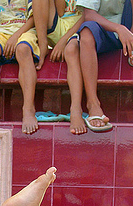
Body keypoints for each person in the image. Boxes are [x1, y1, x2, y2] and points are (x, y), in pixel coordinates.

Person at [67, 0, 133, 132]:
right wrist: (119, 28)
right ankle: (93, 104)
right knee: (87, 31)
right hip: (106, 28)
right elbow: (89, 15)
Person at [0, 0, 40, 135]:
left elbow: (35, 18)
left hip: (25, 31)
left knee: (23, 49)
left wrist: (15, 37)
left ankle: (28, 109)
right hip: (1, 32)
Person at [33, 0, 86, 134]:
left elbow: (89, 15)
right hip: (59, 24)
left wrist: (64, 41)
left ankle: (75, 109)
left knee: (71, 50)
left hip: (81, 27)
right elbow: (61, 11)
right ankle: (43, 42)